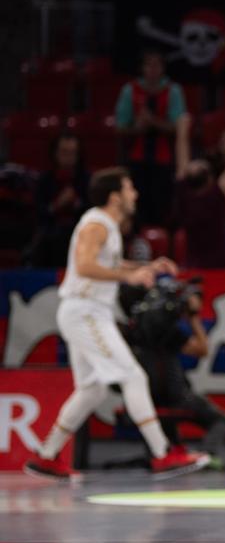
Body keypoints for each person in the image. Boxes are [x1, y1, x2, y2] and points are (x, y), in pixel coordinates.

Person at [23, 168, 210, 482]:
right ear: (115, 196)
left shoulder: (105, 224)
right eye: (129, 188)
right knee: (133, 376)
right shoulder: (97, 224)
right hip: (86, 312)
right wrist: (129, 276)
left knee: (92, 390)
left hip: (86, 311)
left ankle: (45, 457)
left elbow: (107, 263)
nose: (135, 193)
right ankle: (163, 454)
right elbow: (84, 266)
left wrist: (145, 266)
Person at [119, 278, 225, 469]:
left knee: (162, 418)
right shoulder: (166, 331)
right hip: (175, 396)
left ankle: (168, 453)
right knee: (220, 419)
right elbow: (203, 349)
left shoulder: (134, 329)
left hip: (147, 398)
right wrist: (193, 315)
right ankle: (205, 456)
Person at [115, 50, 188, 227]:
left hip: (164, 162)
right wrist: (137, 128)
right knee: (136, 211)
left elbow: (179, 127)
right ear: (142, 68)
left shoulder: (173, 91)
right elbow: (120, 128)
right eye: (149, 64)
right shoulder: (130, 90)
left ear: (163, 68)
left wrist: (153, 122)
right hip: (135, 160)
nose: (153, 69)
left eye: (157, 65)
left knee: (162, 211)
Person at [174, 113, 225, 269]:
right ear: (210, 180)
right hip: (218, 268)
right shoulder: (214, 196)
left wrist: (182, 131)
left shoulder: (185, 195)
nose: (193, 162)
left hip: (199, 266)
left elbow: (182, 161)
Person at [29, 133, 90, 268]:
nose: (68, 157)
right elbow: (39, 213)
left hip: (80, 232)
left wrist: (75, 202)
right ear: (55, 153)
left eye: (73, 153)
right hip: (50, 234)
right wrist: (57, 205)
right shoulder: (44, 180)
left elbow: (92, 213)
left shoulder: (87, 180)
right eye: (64, 152)